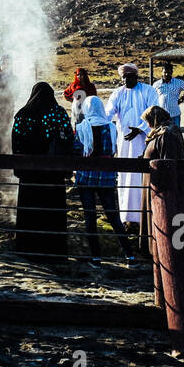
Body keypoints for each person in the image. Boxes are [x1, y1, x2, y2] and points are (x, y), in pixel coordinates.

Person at [10, 82, 74, 259]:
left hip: (30, 174)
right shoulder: (59, 113)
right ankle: (54, 251)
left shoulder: (23, 114)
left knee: (30, 211)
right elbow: (68, 138)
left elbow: (16, 142)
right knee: (52, 213)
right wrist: (66, 168)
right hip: (54, 174)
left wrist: (19, 167)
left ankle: (27, 249)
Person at [72, 96, 134, 263]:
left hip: (86, 176)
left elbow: (76, 149)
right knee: (113, 215)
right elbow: (114, 149)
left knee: (90, 216)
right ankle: (129, 255)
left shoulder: (82, 127)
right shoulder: (111, 127)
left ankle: (96, 257)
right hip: (106, 177)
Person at [105, 63, 161, 232]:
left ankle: (144, 216)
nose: (126, 80)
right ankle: (127, 217)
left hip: (144, 141)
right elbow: (108, 114)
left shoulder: (148, 91)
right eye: (123, 78)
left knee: (141, 177)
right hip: (124, 143)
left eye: (129, 77)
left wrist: (141, 129)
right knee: (125, 177)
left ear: (136, 76)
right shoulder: (118, 93)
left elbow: (156, 112)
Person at [152, 62, 184, 129]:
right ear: (161, 72)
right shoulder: (156, 84)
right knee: (161, 135)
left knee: (175, 135)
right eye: (165, 72)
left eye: (169, 72)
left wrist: (181, 99)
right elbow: (152, 98)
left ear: (172, 72)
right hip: (161, 116)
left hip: (174, 115)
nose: (166, 74)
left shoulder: (178, 82)